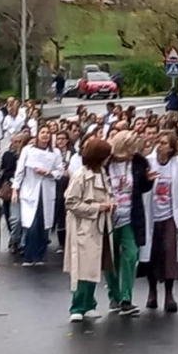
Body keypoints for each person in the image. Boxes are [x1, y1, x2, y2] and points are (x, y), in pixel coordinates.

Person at [64, 136, 114, 323]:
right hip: (83, 227)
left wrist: (110, 204)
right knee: (82, 268)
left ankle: (89, 304)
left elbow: (107, 194)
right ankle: (77, 306)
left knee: (93, 266)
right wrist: (97, 208)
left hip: (99, 226)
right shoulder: (80, 176)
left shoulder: (102, 173)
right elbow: (71, 202)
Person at [104, 131, 148, 315]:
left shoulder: (138, 162)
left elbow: (142, 186)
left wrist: (148, 181)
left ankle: (126, 298)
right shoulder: (105, 163)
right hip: (108, 217)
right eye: (131, 148)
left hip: (130, 214)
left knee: (131, 253)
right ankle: (114, 295)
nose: (134, 152)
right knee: (110, 258)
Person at [144, 132, 178, 311]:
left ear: (172, 148)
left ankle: (169, 294)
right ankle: (152, 291)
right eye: (159, 142)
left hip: (170, 215)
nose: (160, 145)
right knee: (151, 253)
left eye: (165, 143)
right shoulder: (148, 162)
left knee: (169, 253)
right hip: (151, 214)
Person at [17, 130, 65, 264]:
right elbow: (20, 170)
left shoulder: (55, 152)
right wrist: (15, 188)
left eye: (48, 133)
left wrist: (48, 172)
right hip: (30, 191)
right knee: (31, 224)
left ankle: (40, 255)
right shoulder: (28, 150)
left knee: (44, 224)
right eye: (42, 132)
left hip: (47, 191)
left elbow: (60, 171)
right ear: (37, 135)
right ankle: (29, 255)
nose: (45, 135)